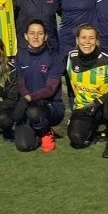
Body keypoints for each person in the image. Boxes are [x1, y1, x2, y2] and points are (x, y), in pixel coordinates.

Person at [63, 24, 108, 158]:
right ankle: (92, 129)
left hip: (105, 106)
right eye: (83, 37)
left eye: (91, 38)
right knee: (76, 138)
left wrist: (98, 102)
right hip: (84, 108)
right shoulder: (69, 58)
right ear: (77, 40)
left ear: (97, 41)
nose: (87, 42)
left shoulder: (107, 61)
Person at [11, 19, 64, 152]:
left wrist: (28, 98)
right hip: (28, 104)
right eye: (32, 33)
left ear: (45, 36)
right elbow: (20, 82)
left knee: (34, 112)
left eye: (40, 33)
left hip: (50, 106)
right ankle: (36, 131)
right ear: (25, 36)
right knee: (23, 146)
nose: (35, 37)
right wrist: (25, 98)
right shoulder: (20, 55)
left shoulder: (54, 57)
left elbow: (50, 89)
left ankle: (46, 131)